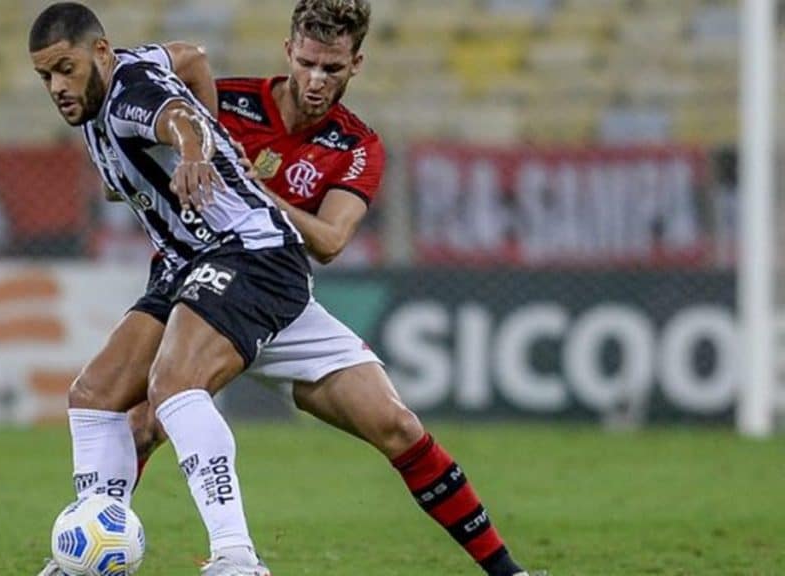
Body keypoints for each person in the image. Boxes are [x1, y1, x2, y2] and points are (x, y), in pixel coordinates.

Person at [124, 2, 543, 575]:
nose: (317, 81)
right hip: (202, 288)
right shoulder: (224, 104)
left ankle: (508, 572)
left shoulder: (356, 145)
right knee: (143, 423)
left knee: (397, 425)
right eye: (308, 63)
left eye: (333, 69)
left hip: (280, 299)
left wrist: (248, 186)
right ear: (288, 52)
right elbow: (135, 167)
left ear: (357, 65)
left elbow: (329, 239)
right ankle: (101, 552)